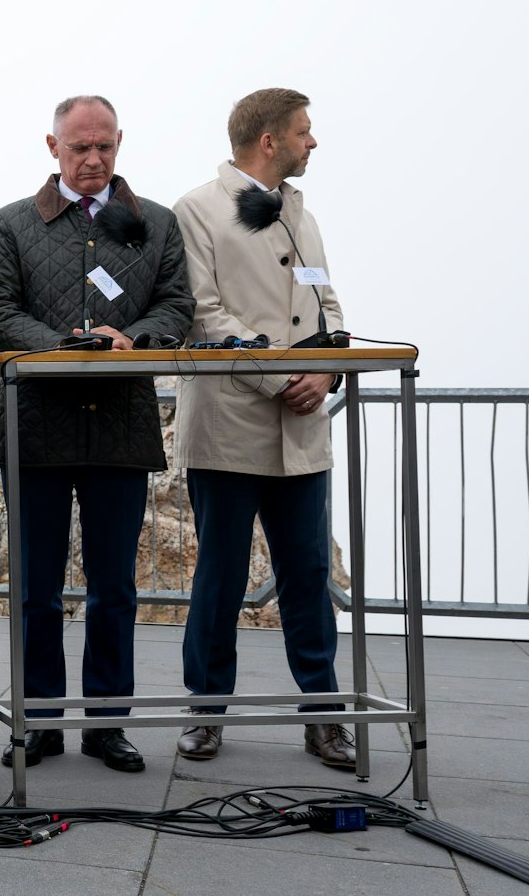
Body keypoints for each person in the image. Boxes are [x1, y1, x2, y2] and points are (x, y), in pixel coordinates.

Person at [0, 95, 193, 774]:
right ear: (52, 147)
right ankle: (37, 722)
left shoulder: (157, 224)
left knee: (114, 587)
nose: (93, 159)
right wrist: (66, 348)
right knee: (36, 586)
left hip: (119, 427)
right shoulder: (12, 224)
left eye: (104, 147)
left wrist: (136, 339)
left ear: (119, 141)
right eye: (79, 149)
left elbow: (177, 302)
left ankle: (107, 724)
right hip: (36, 424)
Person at [172, 87, 354, 771]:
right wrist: (284, 378)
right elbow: (205, 314)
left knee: (307, 575)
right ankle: (205, 712)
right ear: (269, 140)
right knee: (218, 577)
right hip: (229, 424)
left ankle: (325, 719)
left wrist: (329, 372)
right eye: (305, 131)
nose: (314, 142)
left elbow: (328, 302)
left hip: (303, 431)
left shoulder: (301, 211)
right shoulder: (196, 208)